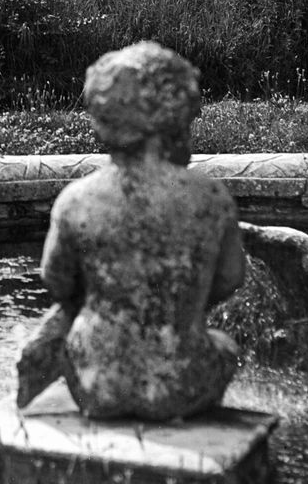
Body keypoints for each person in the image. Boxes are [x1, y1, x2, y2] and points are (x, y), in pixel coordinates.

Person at [15, 42, 245, 421]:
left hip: (96, 381)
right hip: (180, 381)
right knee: (225, 347)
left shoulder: (76, 200)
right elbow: (231, 278)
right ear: (176, 114)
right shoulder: (210, 198)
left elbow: (55, 280)